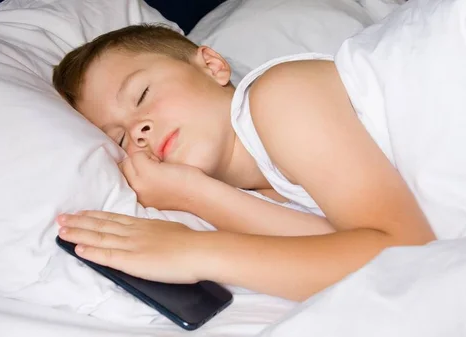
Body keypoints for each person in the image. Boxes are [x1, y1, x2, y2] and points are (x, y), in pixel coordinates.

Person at [52, 24, 435, 301]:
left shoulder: (280, 95)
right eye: (120, 138)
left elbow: (405, 255)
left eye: (142, 95)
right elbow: (342, 250)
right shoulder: (260, 188)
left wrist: (195, 251)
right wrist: (194, 196)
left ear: (213, 65)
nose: (138, 129)